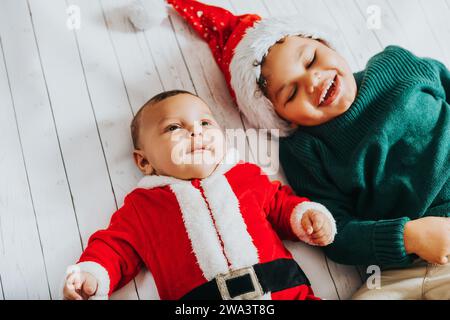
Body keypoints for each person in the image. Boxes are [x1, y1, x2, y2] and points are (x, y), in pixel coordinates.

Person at [169, 0, 450, 300]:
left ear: (324, 43)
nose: (313, 81)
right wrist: (406, 237)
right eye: (291, 92)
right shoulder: (304, 150)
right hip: (408, 260)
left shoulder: (396, 65)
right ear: (280, 116)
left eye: (311, 59)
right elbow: (336, 233)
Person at [62, 90, 336, 300]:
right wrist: (92, 274)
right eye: (173, 127)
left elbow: (281, 204)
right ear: (144, 162)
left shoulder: (245, 177)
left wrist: (306, 216)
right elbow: (116, 247)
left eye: (205, 123)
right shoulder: (143, 207)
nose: (195, 131)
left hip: (284, 291)